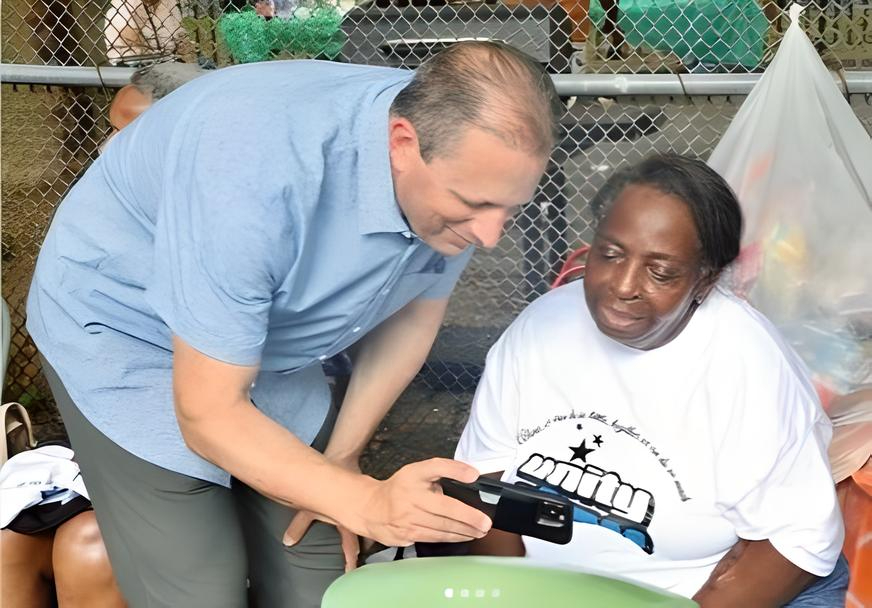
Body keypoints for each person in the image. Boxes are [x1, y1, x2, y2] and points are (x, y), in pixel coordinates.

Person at [26, 41, 561, 607]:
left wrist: (342, 462)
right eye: (473, 205)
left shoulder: (464, 160)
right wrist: (365, 501)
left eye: (510, 208)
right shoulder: (254, 171)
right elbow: (209, 413)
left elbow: (412, 314)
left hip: (266, 338)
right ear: (402, 143)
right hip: (129, 331)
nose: (491, 235)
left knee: (323, 577)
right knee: (199, 586)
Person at [455, 154, 848, 606]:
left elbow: (795, 544)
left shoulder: (747, 365)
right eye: (610, 254)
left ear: (705, 281)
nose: (623, 285)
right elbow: (489, 485)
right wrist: (513, 597)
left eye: (659, 271)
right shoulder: (538, 330)